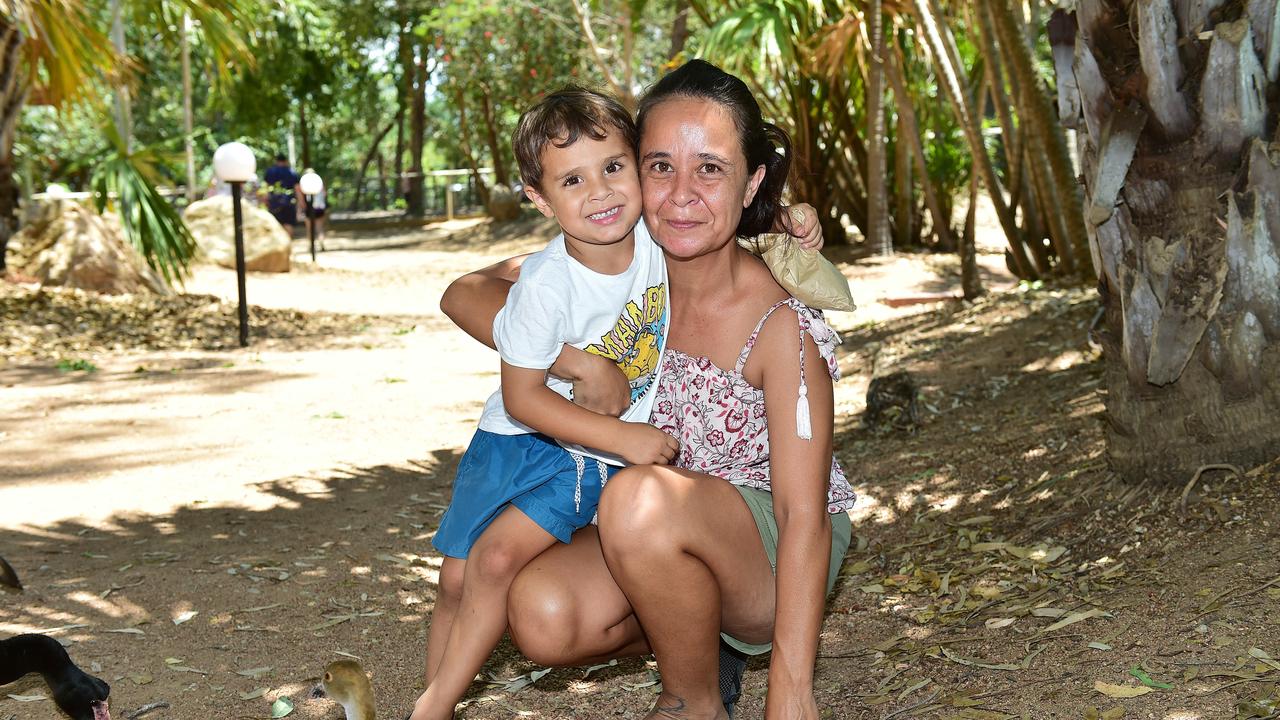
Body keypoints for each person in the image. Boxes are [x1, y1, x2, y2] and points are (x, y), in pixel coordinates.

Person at [440, 59, 855, 720]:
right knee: (541, 613)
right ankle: (692, 642)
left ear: (751, 183)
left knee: (636, 497)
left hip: (773, 550)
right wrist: (575, 362)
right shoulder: (620, 262)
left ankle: (690, 699)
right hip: (653, 528)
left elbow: (804, 517)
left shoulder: (782, 326)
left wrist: (792, 690)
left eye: (710, 169)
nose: (681, 195)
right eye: (660, 166)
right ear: (633, 172)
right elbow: (466, 292)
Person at [409, 87, 682, 720]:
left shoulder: (657, 243)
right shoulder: (544, 283)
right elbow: (522, 398)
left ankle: (434, 705)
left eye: (614, 167)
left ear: (638, 163)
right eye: (572, 180)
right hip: (514, 436)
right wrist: (627, 438)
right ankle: (435, 700)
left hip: (581, 454)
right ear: (539, 197)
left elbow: (733, 219)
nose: (601, 193)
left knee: (498, 557)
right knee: (455, 580)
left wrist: (790, 218)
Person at [262, 154, 301, 230]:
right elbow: (297, 189)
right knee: (289, 224)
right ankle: (288, 241)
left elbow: (266, 188)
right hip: (289, 202)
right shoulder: (292, 172)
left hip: (273, 202)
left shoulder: (270, 171)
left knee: (275, 225)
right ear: (286, 161)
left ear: (276, 161)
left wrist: (265, 200)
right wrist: (301, 202)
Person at [302, 168, 327, 248]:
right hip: (319, 207)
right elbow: (324, 194)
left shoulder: (304, 182)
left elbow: (301, 196)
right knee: (319, 228)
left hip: (309, 207)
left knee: (309, 229)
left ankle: (310, 245)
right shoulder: (318, 181)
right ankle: (321, 242)